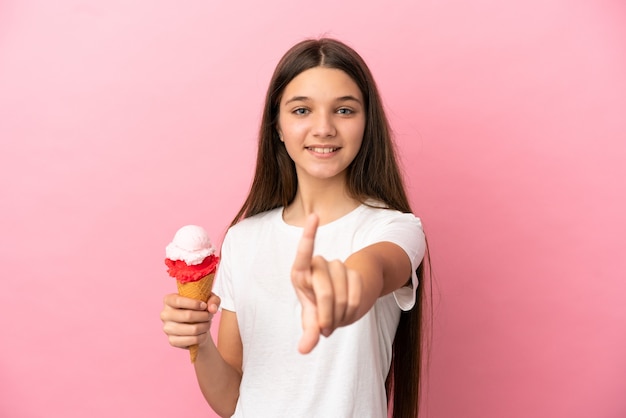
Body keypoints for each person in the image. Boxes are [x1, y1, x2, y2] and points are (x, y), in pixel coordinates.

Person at [161, 38, 429, 418]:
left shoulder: (395, 228)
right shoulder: (243, 238)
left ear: (367, 124)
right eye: (302, 110)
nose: (323, 128)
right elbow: (233, 401)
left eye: (344, 110)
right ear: (279, 128)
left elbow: (377, 267)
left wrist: (349, 285)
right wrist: (199, 340)